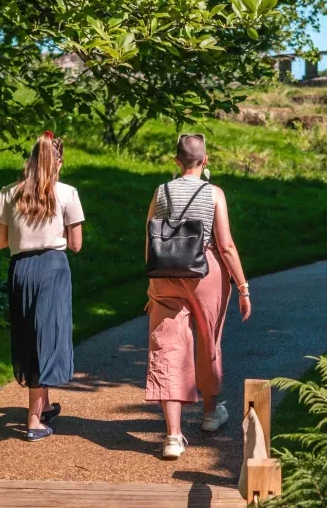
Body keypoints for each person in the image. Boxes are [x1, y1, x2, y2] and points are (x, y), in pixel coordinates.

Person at [144, 133, 252, 460]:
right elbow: (227, 246)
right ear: (205, 161)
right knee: (208, 341)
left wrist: (151, 287)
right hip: (206, 273)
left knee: (167, 346)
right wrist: (243, 287)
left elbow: (149, 239)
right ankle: (209, 415)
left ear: (176, 161)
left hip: (164, 274)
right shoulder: (213, 193)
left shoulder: (161, 192)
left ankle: (173, 436)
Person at [0, 131, 84, 442]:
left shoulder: (9, 193)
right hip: (52, 268)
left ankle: (42, 405)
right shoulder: (67, 193)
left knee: (28, 333)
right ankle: (33, 421)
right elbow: (76, 245)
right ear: (57, 162)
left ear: (31, 160)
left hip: (20, 269)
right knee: (47, 338)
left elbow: (0, 242)